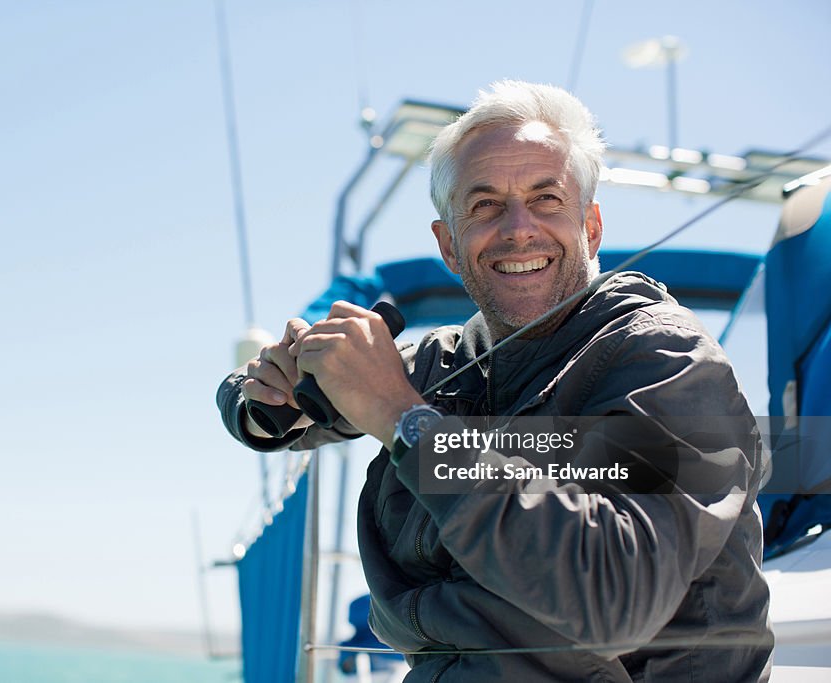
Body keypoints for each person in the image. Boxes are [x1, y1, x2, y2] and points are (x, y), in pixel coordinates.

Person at [217, 80, 773, 682]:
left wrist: (406, 423)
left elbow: (615, 597)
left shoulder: (664, 359)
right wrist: (268, 397)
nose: (518, 229)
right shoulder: (444, 361)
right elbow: (266, 414)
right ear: (448, 245)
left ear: (590, 228)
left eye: (546, 199)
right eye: (484, 205)